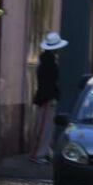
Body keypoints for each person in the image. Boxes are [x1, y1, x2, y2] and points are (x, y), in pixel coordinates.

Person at [30, 32, 67, 163]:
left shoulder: (47, 60)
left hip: (47, 97)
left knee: (46, 127)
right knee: (43, 127)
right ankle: (37, 154)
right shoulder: (48, 62)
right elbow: (48, 82)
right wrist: (51, 97)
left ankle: (43, 152)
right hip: (46, 98)